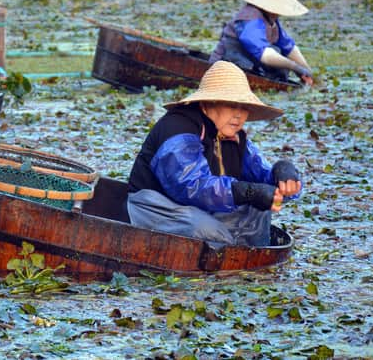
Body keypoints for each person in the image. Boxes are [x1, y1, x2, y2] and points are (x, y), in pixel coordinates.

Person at [127, 60, 302, 247]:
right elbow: (191, 187)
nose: (239, 115)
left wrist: (283, 176)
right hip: (156, 208)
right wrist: (246, 192)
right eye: (231, 105)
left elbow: (262, 177)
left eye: (244, 107)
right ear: (209, 102)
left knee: (258, 210)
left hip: (200, 209)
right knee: (206, 230)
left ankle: (249, 267)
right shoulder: (177, 128)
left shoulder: (234, 136)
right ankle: (227, 269)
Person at [209, 0, 314, 86]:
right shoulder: (250, 18)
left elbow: (288, 47)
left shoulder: (271, 19)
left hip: (248, 65)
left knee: (279, 55)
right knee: (276, 54)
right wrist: (294, 66)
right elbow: (264, 53)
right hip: (224, 66)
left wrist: (306, 70)